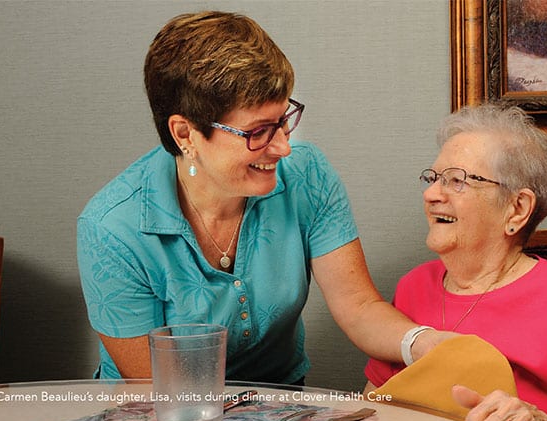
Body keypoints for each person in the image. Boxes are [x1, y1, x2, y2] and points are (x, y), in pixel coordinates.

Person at [77, 11, 449, 384]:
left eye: (284, 120)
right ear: (185, 135)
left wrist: (421, 343)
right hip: (165, 418)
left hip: (279, 406)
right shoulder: (112, 228)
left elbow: (359, 307)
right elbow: (160, 390)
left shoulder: (309, 176)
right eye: (259, 132)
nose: (284, 147)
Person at [364, 103, 547, 421]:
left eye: (457, 180)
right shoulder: (413, 286)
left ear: (517, 208)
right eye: (433, 178)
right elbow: (369, 416)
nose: (431, 194)